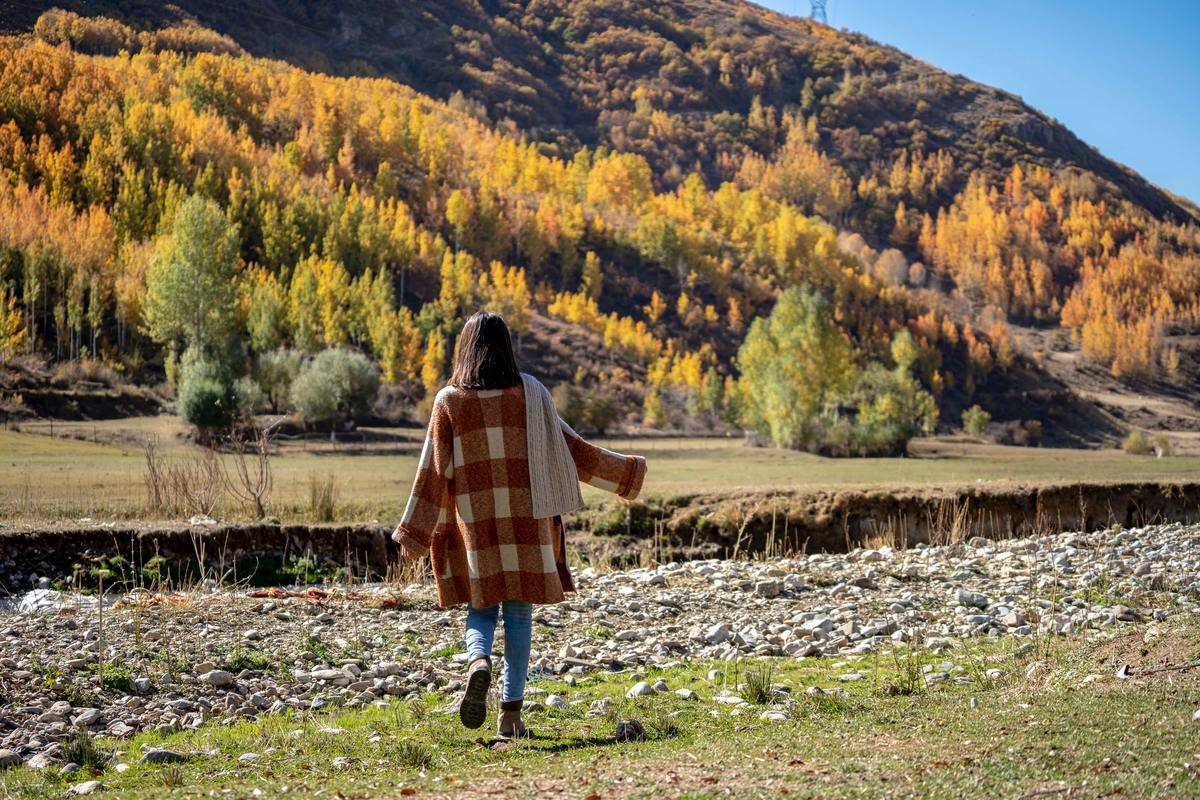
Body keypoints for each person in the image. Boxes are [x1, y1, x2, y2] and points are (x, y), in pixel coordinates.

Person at [393, 311, 646, 738]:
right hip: (529, 522)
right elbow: (572, 450)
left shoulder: (449, 401)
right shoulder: (531, 394)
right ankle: (510, 716)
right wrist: (626, 475)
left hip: (476, 525)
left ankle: (478, 662)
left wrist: (412, 534)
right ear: (506, 347)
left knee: (481, 608)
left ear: (465, 348)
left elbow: (431, 473)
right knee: (519, 616)